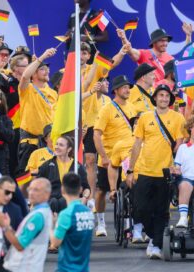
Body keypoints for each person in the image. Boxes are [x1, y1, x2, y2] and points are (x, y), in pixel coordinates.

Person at [126, 84, 185, 258]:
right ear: (155, 98)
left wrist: (177, 166)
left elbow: (179, 144)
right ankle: (154, 236)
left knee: (161, 211)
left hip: (165, 172)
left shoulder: (178, 118)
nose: (164, 99)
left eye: (167, 96)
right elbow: (137, 144)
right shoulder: (145, 117)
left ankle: (157, 244)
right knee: (140, 208)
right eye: (161, 95)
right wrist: (130, 169)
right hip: (144, 170)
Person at [81, 42, 128, 210]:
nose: (81, 55)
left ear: (88, 55)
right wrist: (94, 64)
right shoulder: (68, 72)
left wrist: (121, 51)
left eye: (85, 52)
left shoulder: (96, 68)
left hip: (93, 121)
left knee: (91, 160)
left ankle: (92, 197)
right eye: (79, 52)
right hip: (77, 121)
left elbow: (111, 63)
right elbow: (84, 85)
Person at [93, 75, 137, 236]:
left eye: (128, 87)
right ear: (116, 90)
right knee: (101, 191)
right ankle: (101, 223)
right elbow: (96, 134)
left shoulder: (132, 108)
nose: (127, 90)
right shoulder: (107, 109)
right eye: (124, 87)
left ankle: (127, 224)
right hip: (109, 156)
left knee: (128, 191)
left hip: (126, 156)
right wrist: (103, 156)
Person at [0, 178, 52, 272]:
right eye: (30, 189)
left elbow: (19, 245)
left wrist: (5, 227)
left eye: (36, 190)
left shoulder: (38, 216)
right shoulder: (42, 212)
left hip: (24, 267)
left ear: (47, 194)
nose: (31, 193)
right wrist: (9, 227)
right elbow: (22, 236)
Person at [18, 48, 58, 172]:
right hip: (30, 142)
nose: (47, 71)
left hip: (49, 142)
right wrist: (42, 57)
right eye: (42, 69)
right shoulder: (27, 88)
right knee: (27, 178)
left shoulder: (53, 93)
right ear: (34, 74)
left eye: (47, 68)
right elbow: (25, 76)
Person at [108, 114, 145, 243]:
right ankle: (137, 228)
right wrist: (113, 189)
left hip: (151, 177)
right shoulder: (122, 144)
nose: (138, 125)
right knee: (135, 185)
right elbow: (113, 166)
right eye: (136, 123)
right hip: (131, 181)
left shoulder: (155, 142)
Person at [50, 172, 95, 272]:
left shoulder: (66, 214)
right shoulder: (89, 213)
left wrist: (51, 225)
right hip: (83, 268)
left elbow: (55, 242)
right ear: (80, 190)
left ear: (62, 190)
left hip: (66, 268)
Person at [38, 136, 90, 213]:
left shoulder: (77, 167)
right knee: (53, 202)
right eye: (56, 144)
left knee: (64, 201)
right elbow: (38, 184)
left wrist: (85, 198)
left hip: (70, 202)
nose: (57, 147)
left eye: (61, 145)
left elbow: (86, 188)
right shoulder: (47, 165)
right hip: (51, 203)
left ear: (69, 149)